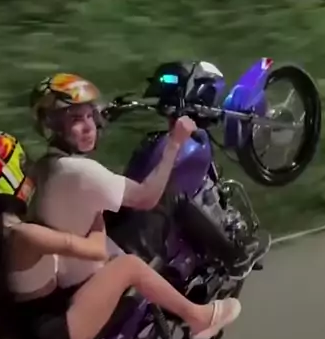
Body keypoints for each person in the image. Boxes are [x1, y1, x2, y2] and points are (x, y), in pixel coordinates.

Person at [0, 129, 241, 339]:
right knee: (128, 266)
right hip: (56, 334)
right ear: (6, 177)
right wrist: (97, 210)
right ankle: (199, 318)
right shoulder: (24, 234)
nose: (27, 168)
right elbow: (95, 249)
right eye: (21, 164)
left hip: (27, 332)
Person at [29, 71, 269, 285]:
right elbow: (146, 198)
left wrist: (111, 110)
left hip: (73, 264)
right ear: (53, 126)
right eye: (75, 119)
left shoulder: (47, 164)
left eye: (89, 116)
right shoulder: (78, 171)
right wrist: (174, 143)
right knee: (170, 194)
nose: (88, 127)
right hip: (99, 269)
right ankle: (235, 258)